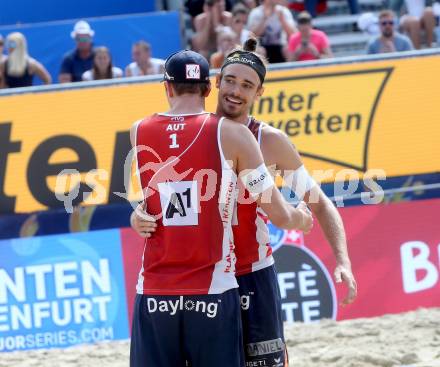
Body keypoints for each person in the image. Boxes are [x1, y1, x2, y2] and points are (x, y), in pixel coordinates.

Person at [131, 40, 357, 366]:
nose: (236, 91)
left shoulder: (270, 140)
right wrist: (139, 215)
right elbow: (165, 196)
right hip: (205, 281)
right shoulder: (195, 131)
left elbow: (318, 202)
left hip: (250, 274)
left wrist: (343, 260)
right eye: (231, 81)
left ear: (258, 93)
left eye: (247, 85)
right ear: (215, 84)